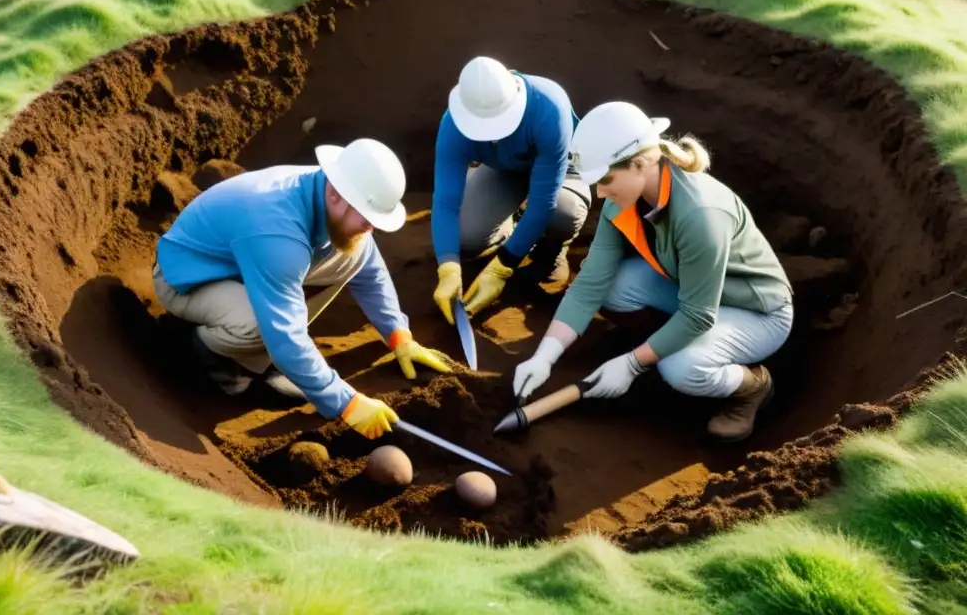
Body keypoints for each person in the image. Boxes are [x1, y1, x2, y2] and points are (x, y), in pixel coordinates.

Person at [511, 101, 794, 441]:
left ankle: (752, 387)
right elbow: (590, 284)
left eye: (606, 180)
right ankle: (659, 349)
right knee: (612, 287)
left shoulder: (700, 215)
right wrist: (545, 356)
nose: (600, 193)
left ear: (640, 164)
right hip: (692, 291)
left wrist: (631, 364)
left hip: (756, 313)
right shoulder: (624, 198)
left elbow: (698, 316)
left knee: (682, 367)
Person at [151, 138, 452, 440]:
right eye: (368, 216)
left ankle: (258, 356)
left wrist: (399, 335)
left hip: (246, 265)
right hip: (187, 279)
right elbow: (285, 333)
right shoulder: (277, 230)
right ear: (336, 195)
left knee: (351, 255)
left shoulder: (335, 194)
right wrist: (345, 403)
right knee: (260, 326)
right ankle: (209, 356)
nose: (372, 227)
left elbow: (369, 268)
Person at [431, 55, 592, 324]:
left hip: (562, 169)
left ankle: (550, 252)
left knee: (564, 212)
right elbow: (446, 201)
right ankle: (513, 232)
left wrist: (502, 268)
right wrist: (447, 266)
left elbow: (544, 202)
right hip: (505, 168)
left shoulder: (549, 106)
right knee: (466, 239)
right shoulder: (453, 122)